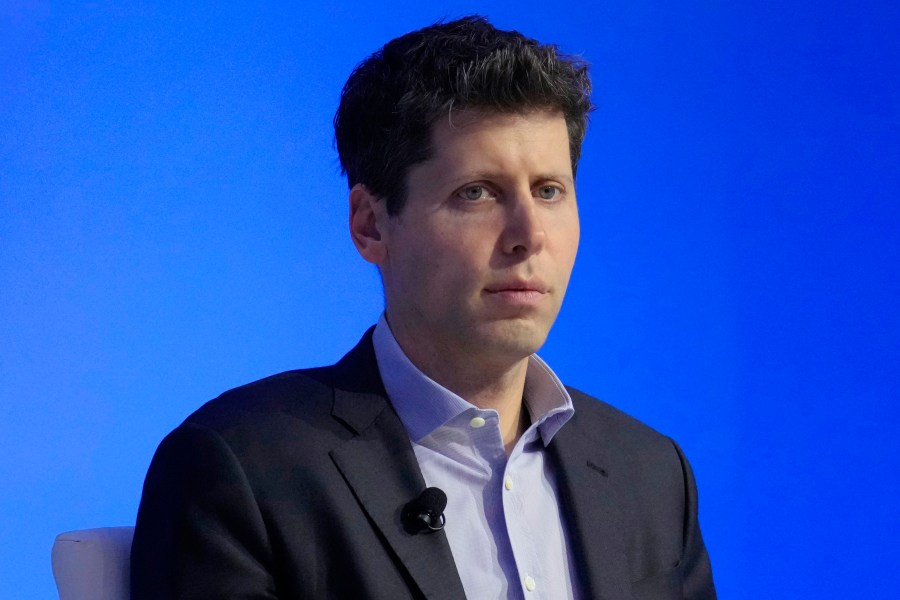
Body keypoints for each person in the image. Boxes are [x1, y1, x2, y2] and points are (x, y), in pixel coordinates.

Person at [131, 16, 716, 600]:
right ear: (370, 224)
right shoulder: (244, 468)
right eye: (477, 192)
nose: (528, 235)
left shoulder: (652, 474)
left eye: (548, 190)